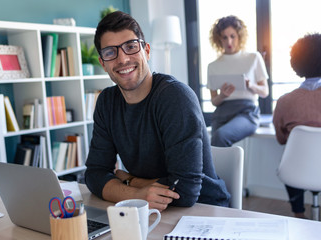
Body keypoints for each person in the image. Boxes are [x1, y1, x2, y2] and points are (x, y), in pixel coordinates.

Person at [84, 11, 230, 212]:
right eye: (110, 52)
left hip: (201, 211)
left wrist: (131, 180)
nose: (123, 59)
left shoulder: (175, 97)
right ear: (103, 63)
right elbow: (94, 174)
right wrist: (136, 194)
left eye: (131, 47)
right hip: (146, 210)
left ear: (147, 51)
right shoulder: (106, 102)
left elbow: (185, 191)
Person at [273, 33, 321, 219]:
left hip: (298, 172)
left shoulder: (285, 101)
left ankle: (299, 214)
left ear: (297, 63)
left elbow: (280, 139)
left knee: (290, 159)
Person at [207, 15, 269, 147]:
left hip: (246, 113)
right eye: (224, 37)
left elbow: (265, 92)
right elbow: (214, 101)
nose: (229, 41)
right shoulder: (213, 66)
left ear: (239, 36)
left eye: (232, 36)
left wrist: (250, 85)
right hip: (221, 113)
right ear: (219, 39)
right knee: (210, 148)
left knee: (220, 136)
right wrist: (223, 95)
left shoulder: (253, 58)